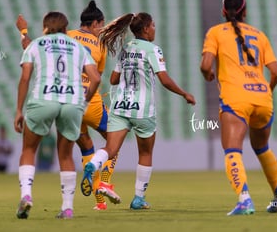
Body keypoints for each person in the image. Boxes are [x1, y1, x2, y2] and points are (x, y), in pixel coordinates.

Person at [80, 12, 196, 209]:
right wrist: (184, 94)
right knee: (145, 152)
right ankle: (138, 198)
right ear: (145, 29)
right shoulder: (153, 50)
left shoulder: (125, 49)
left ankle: (92, 165)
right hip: (142, 109)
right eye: (153, 25)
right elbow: (164, 79)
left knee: (110, 149)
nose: (154, 29)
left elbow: (113, 80)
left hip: (120, 107)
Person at [16, 0, 120, 210]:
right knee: (114, 139)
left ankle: (98, 202)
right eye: (102, 25)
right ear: (95, 23)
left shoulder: (64, 37)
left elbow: (30, 48)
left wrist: (23, 31)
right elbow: (97, 77)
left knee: (84, 147)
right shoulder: (96, 44)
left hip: (48, 98)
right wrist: (87, 99)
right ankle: (103, 184)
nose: (103, 29)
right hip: (79, 101)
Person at [200, 0, 277, 215]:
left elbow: (205, 65)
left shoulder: (215, 32)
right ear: (245, 12)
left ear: (223, 12)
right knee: (262, 148)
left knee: (232, 150)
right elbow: (276, 72)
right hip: (262, 98)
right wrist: (266, 91)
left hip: (235, 98)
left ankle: (245, 199)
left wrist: (209, 75)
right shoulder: (260, 35)